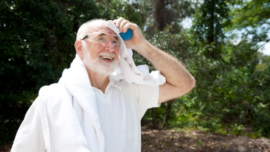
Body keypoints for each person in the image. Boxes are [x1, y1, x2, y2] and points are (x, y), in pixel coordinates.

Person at [11, 18, 195, 152]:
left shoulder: (131, 92)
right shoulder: (51, 99)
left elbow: (184, 84)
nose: (111, 47)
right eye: (101, 39)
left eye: (116, 42)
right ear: (79, 47)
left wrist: (142, 45)